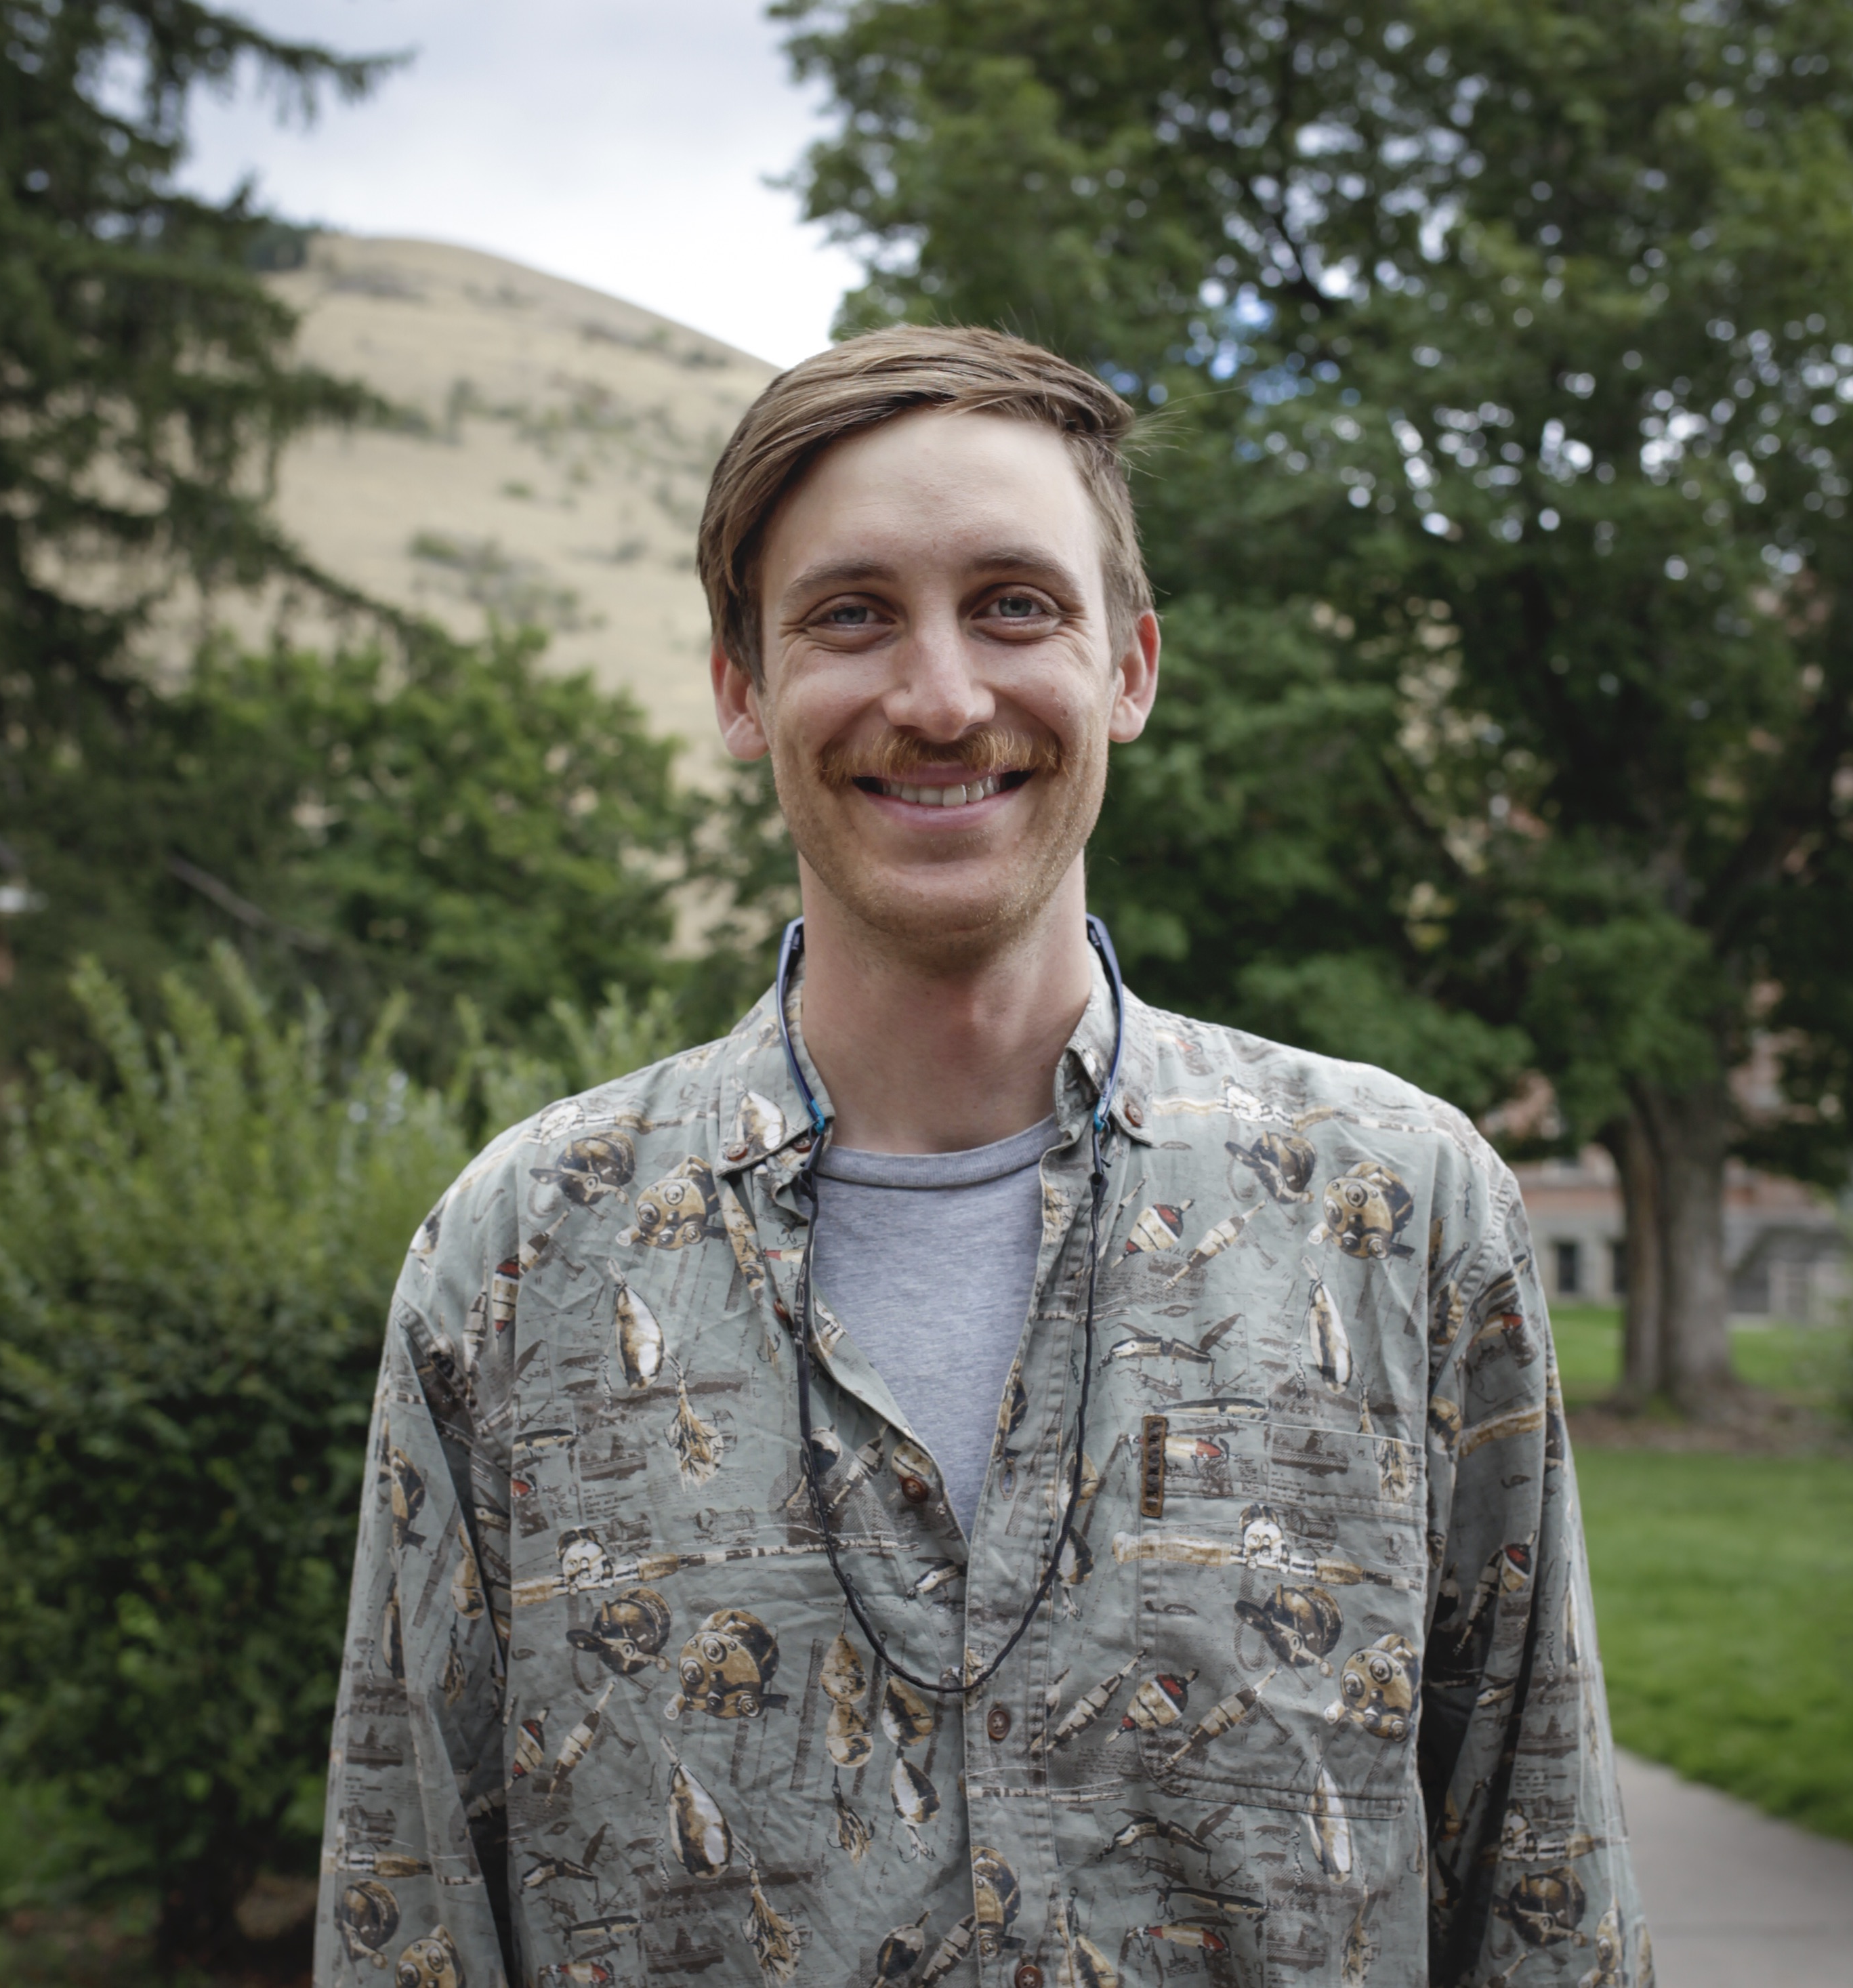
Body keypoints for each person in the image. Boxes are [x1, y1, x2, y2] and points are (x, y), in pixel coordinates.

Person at [316, 327, 1649, 1988]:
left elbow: (1543, 1900)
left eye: (1016, 604)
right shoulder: (519, 1255)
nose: (943, 700)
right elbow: (410, 1905)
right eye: (852, 613)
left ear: (1131, 670)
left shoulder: (1403, 1215)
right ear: (741, 690)